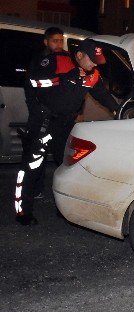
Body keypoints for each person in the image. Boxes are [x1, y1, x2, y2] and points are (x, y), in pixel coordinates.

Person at [15, 39, 118, 226]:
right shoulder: (58, 61)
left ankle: (65, 208)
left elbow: (101, 94)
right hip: (44, 122)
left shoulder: (93, 74)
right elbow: (33, 82)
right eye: (92, 59)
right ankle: (23, 211)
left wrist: (117, 109)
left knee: (68, 165)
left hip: (64, 124)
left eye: (98, 60)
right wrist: (63, 80)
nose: (95, 64)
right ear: (79, 55)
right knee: (32, 166)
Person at [21, 27, 66, 199]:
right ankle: (35, 189)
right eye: (55, 40)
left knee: (62, 155)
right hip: (40, 116)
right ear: (46, 42)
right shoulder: (39, 60)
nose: (59, 43)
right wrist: (36, 109)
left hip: (60, 117)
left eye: (61, 40)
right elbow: (30, 86)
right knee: (36, 154)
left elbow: (74, 86)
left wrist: (78, 111)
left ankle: (64, 192)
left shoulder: (66, 58)